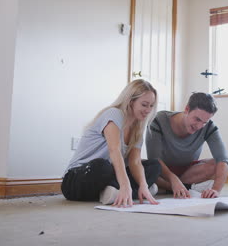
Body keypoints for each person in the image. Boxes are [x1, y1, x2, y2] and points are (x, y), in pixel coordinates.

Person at [61, 79, 161, 207]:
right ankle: (123, 190)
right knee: (103, 166)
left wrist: (143, 185)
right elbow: (115, 151)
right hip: (77, 179)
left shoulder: (138, 127)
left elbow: (135, 162)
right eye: (144, 104)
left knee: (154, 165)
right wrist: (125, 185)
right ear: (131, 102)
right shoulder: (114, 114)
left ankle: (119, 191)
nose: (148, 110)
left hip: (108, 175)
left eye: (151, 106)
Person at [146, 92, 228, 199]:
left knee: (215, 165)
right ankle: (184, 187)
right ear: (187, 109)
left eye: (204, 122)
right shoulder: (158, 120)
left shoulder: (209, 127)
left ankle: (169, 187)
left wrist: (216, 190)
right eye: (197, 119)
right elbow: (154, 159)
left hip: (188, 171)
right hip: (162, 171)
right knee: (142, 167)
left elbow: (223, 159)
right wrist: (173, 179)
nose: (199, 126)